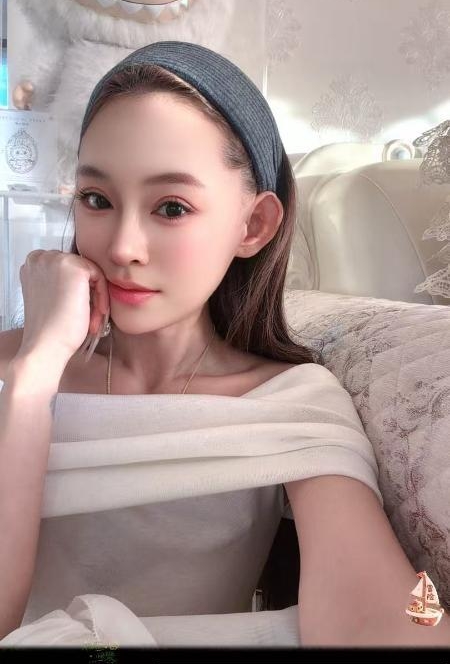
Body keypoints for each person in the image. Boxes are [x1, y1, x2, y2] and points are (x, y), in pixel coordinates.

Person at [0, 41, 449, 648]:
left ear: (253, 225)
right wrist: (33, 378)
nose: (123, 246)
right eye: (96, 199)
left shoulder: (290, 404)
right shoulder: (16, 367)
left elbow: (382, 614)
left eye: (171, 207)